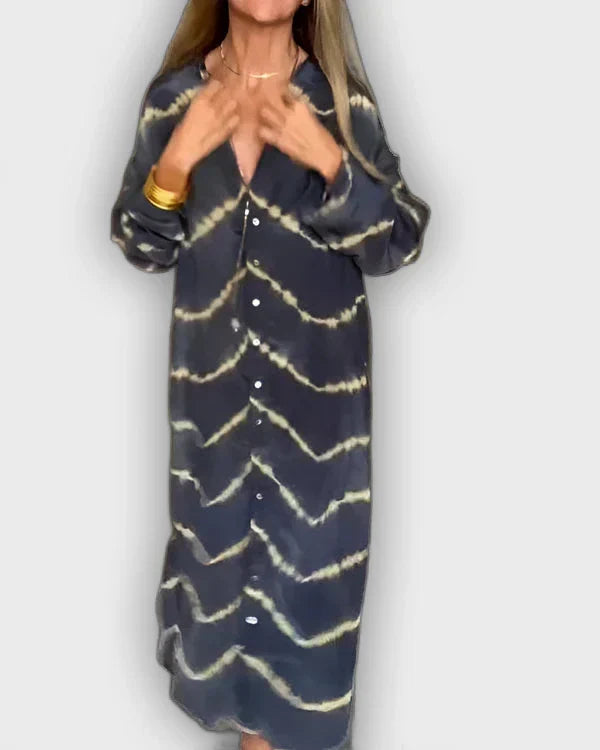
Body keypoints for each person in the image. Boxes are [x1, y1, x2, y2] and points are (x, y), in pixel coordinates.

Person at [109, 1, 431, 748]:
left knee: (305, 666)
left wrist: (330, 162)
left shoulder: (340, 105)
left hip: (319, 454)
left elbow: (400, 240)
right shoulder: (173, 102)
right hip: (215, 443)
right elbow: (141, 244)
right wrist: (175, 164)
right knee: (231, 652)